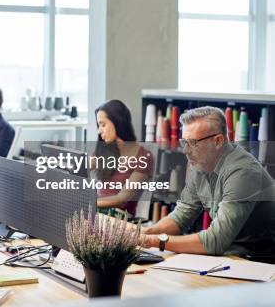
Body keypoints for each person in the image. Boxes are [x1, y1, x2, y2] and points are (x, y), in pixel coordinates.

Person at [143, 106, 275, 256]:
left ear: (218, 141)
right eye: (184, 142)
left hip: (259, 262)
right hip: (230, 256)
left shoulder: (244, 172)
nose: (186, 151)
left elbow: (215, 241)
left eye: (193, 143)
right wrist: (143, 233)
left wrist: (153, 241)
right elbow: (181, 216)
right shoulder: (200, 165)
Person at [92, 100, 154, 214]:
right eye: (98, 125)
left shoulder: (143, 157)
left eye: (103, 124)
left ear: (117, 122)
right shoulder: (103, 150)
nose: (99, 130)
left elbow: (121, 200)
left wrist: (89, 203)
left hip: (119, 218)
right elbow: (79, 167)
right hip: (98, 211)